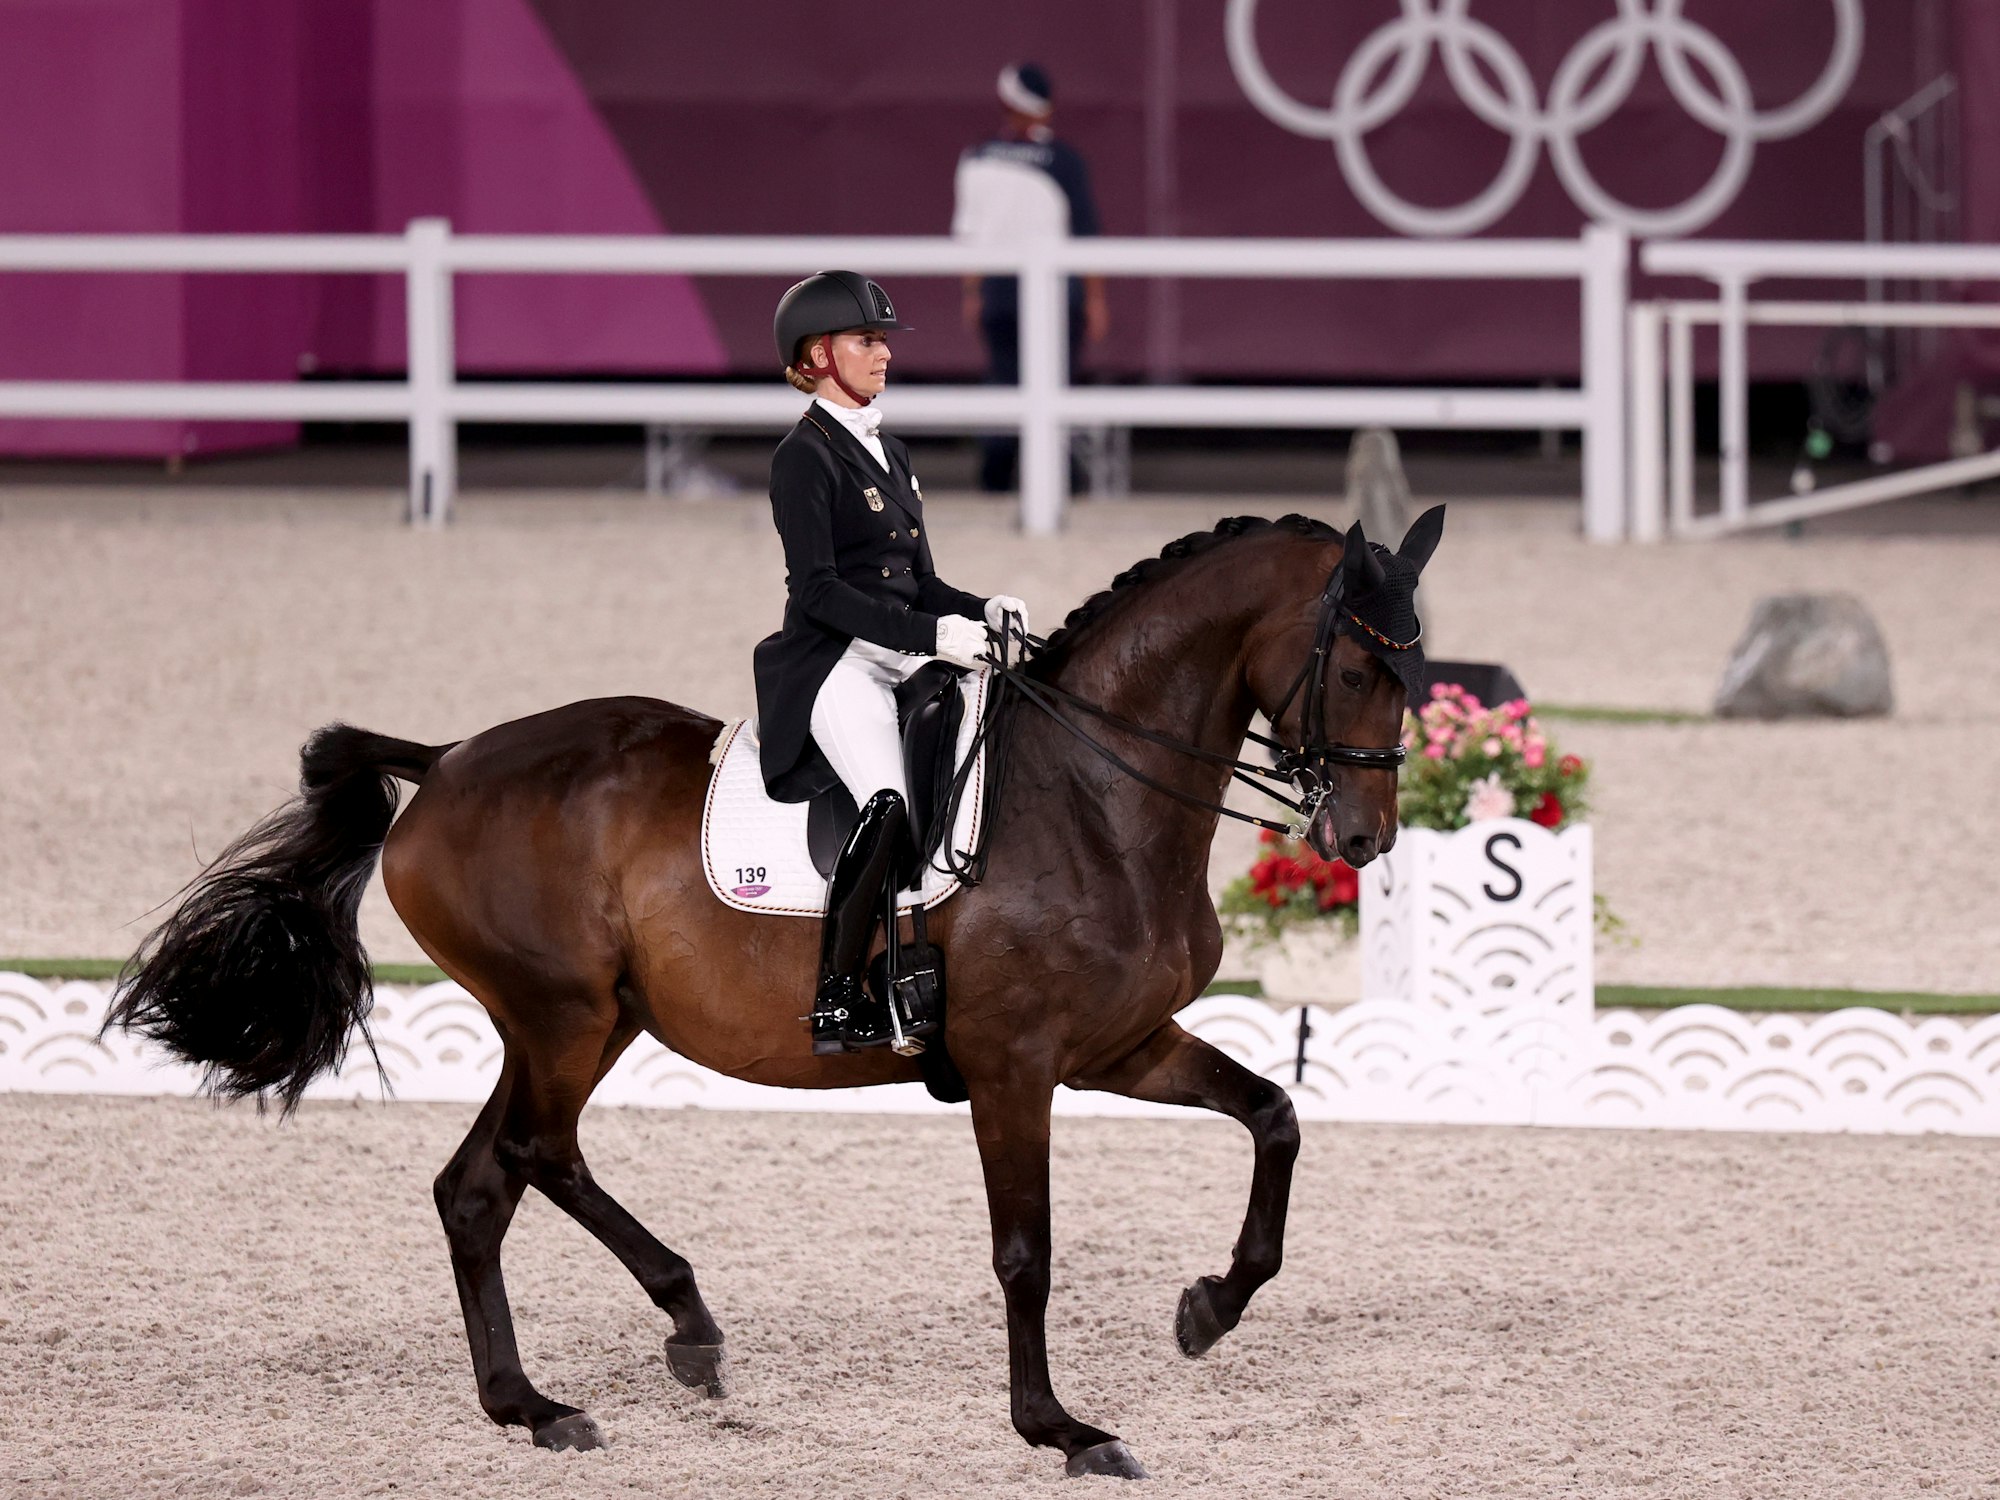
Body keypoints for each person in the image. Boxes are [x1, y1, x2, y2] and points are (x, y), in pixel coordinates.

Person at [754, 270, 1030, 1055]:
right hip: (834, 662)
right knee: (889, 801)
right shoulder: (802, 458)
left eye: (881, 342)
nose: (883, 354)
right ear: (818, 355)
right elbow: (818, 593)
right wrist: (934, 638)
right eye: (867, 341)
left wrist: (980, 611)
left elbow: (923, 583)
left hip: (898, 651)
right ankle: (839, 994)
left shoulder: (890, 448)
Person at [952, 62, 1108, 492]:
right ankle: (1064, 486)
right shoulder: (1065, 161)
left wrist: (971, 292)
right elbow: (1085, 235)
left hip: (999, 291)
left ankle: (996, 482)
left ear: (1006, 103)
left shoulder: (977, 157)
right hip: (1061, 294)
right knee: (1056, 386)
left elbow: (971, 235)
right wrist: (1095, 299)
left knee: (1004, 383)